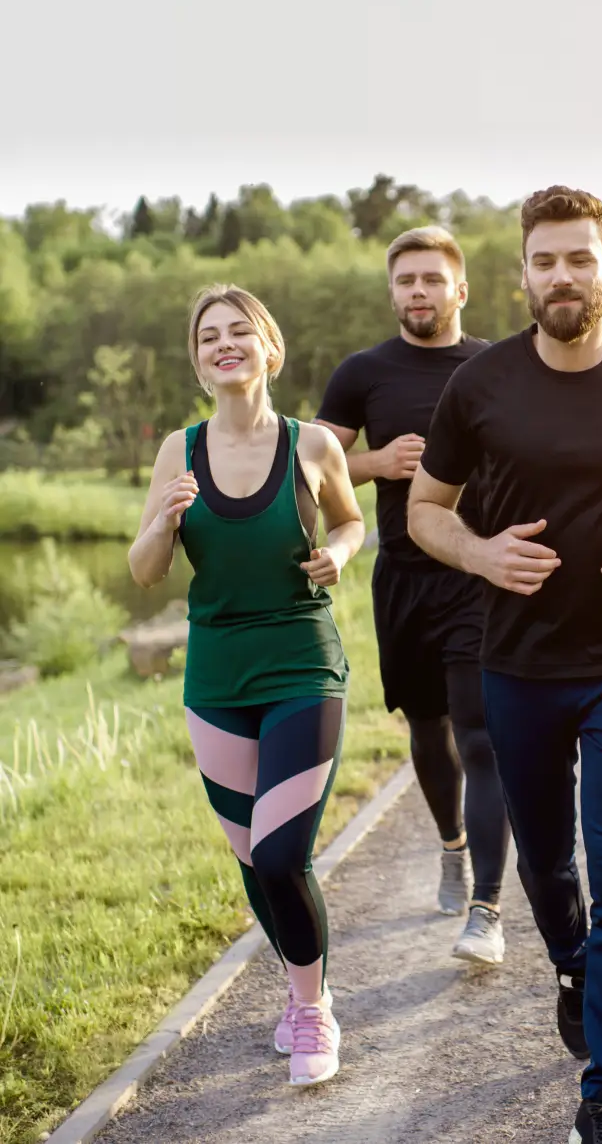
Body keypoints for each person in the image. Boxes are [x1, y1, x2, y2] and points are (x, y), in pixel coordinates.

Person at [407, 188, 602, 1144]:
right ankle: (573, 962)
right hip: (521, 664)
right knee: (547, 863)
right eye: (545, 262)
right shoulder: (481, 386)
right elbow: (427, 509)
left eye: (580, 259)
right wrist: (481, 554)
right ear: (523, 276)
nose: (563, 277)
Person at [129, 285, 365, 1087]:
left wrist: (343, 552)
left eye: (239, 332)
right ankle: (312, 984)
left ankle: (312, 1013)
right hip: (218, 678)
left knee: (279, 852)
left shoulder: (312, 446)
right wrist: (163, 519)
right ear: (198, 362)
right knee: (251, 860)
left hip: (303, 664)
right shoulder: (178, 450)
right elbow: (145, 572)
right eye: (208, 337)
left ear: (269, 347)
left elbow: (350, 518)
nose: (223, 344)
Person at [315, 227, 511, 965]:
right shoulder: (363, 373)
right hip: (401, 577)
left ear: (461, 289)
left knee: (481, 731)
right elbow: (317, 471)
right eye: (406, 281)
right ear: (393, 292)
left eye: (433, 278)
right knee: (428, 731)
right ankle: (453, 846)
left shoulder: (496, 366)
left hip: (476, 572)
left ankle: (487, 909)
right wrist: (377, 459)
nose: (419, 292)